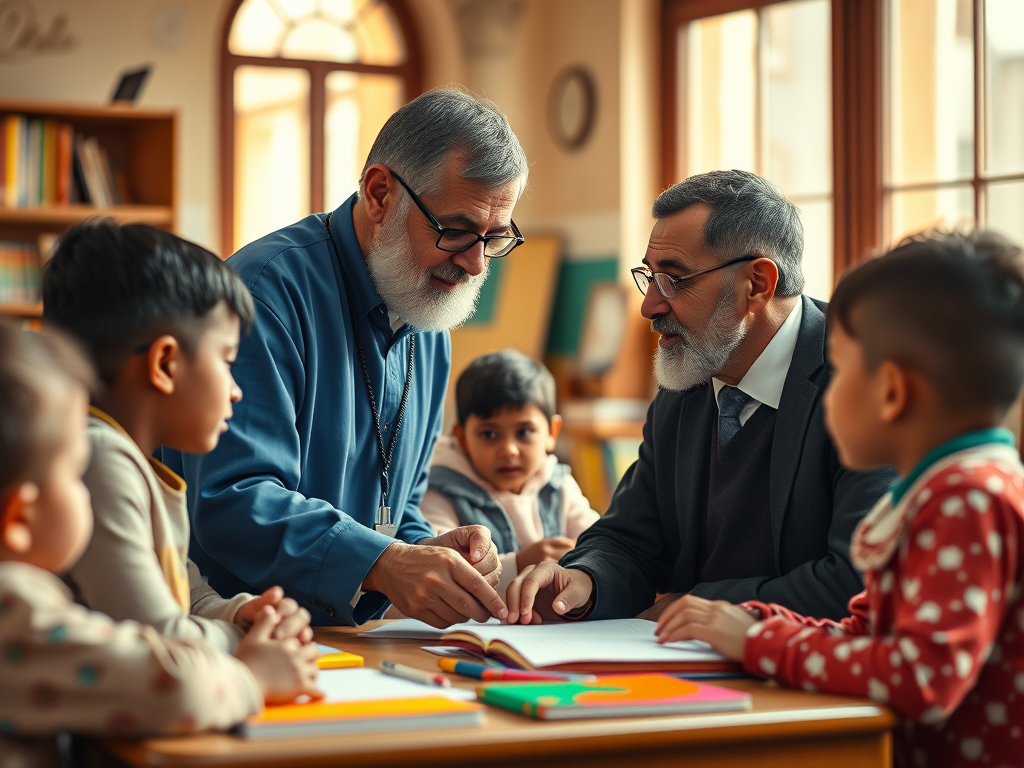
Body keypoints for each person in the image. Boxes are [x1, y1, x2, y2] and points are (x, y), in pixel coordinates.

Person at [654, 231, 1024, 768]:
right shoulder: (942, 490)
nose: (826, 390)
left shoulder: (967, 499)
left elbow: (923, 675)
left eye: (843, 371)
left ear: (892, 393)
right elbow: (868, 632)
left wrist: (761, 644)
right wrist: (755, 624)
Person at [168, 87, 529, 628]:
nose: (476, 265)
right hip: (230, 633)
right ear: (381, 193)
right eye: (455, 231)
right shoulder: (261, 294)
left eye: (494, 239)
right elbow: (232, 498)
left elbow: (396, 504)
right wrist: (385, 562)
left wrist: (432, 551)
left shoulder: (429, 316)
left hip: (352, 641)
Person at [506, 170, 897, 625]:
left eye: (674, 279)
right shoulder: (689, 375)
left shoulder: (862, 381)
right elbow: (631, 539)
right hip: (686, 673)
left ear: (757, 284)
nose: (649, 305)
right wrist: (586, 581)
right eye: (649, 278)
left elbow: (859, 582)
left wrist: (706, 606)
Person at [0, 323, 319, 766]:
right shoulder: (13, 608)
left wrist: (240, 617)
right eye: (75, 474)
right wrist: (252, 675)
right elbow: (173, 686)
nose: (88, 488)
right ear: (21, 516)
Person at [43, 220, 312, 653]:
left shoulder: (129, 461)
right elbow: (160, 639)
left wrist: (243, 613)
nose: (236, 389)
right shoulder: (100, 459)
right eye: (227, 360)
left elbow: (186, 599)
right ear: (165, 364)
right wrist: (248, 641)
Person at [420, 350, 599, 600]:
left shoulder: (559, 484)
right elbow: (441, 570)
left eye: (524, 432)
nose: (509, 450)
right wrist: (518, 564)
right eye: (489, 434)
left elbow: (597, 547)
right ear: (461, 438)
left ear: (551, 432)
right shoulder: (441, 490)